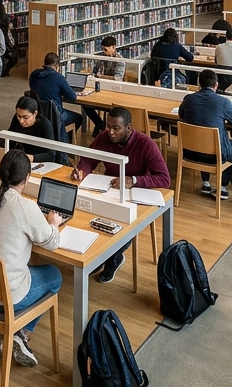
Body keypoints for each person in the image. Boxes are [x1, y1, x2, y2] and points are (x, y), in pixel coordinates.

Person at [0, 151, 62, 368]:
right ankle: (21, 332)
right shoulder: (26, 207)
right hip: (5, 297)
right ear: (27, 178)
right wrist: (54, 223)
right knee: (55, 275)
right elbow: (52, 242)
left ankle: (14, 334)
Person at [71, 107, 170, 282]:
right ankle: (99, 254)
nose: (110, 132)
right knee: (87, 214)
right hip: (109, 189)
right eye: (108, 126)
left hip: (136, 194)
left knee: (123, 222)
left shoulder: (145, 144)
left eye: (116, 128)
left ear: (129, 128)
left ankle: (113, 258)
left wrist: (134, 180)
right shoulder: (104, 137)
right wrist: (82, 171)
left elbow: (164, 179)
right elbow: (88, 159)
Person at [178, 69, 232, 199]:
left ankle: (206, 183)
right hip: (214, 155)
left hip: (190, 152)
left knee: (204, 142)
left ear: (199, 84)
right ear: (216, 85)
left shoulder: (188, 99)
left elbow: (181, 115)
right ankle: (222, 186)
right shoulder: (223, 102)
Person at [27, 52, 87, 133]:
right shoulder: (58, 77)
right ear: (56, 66)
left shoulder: (34, 75)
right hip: (55, 115)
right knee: (78, 117)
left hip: (38, 113)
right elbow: (72, 97)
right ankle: (63, 139)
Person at [85, 36, 123, 134]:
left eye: (106, 50)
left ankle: (101, 127)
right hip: (100, 86)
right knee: (86, 104)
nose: (104, 52)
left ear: (113, 48)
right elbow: (94, 71)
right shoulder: (101, 56)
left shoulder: (120, 60)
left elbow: (117, 78)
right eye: (103, 49)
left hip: (114, 89)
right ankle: (99, 123)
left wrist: (101, 76)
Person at [6, 96, 60, 163]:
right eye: (18, 116)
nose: (21, 121)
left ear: (35, 113)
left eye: (25, 117)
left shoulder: (45, 125)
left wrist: (32, 158)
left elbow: (51, 155)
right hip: (19, 159)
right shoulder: (16, 120)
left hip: (37, 161)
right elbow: (10, 138)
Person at [0, 0, 16, 77]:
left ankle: (0, 71)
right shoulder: (6, 17)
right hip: (6, 39)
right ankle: (5, 71)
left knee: (0, 56)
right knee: (7, 55)